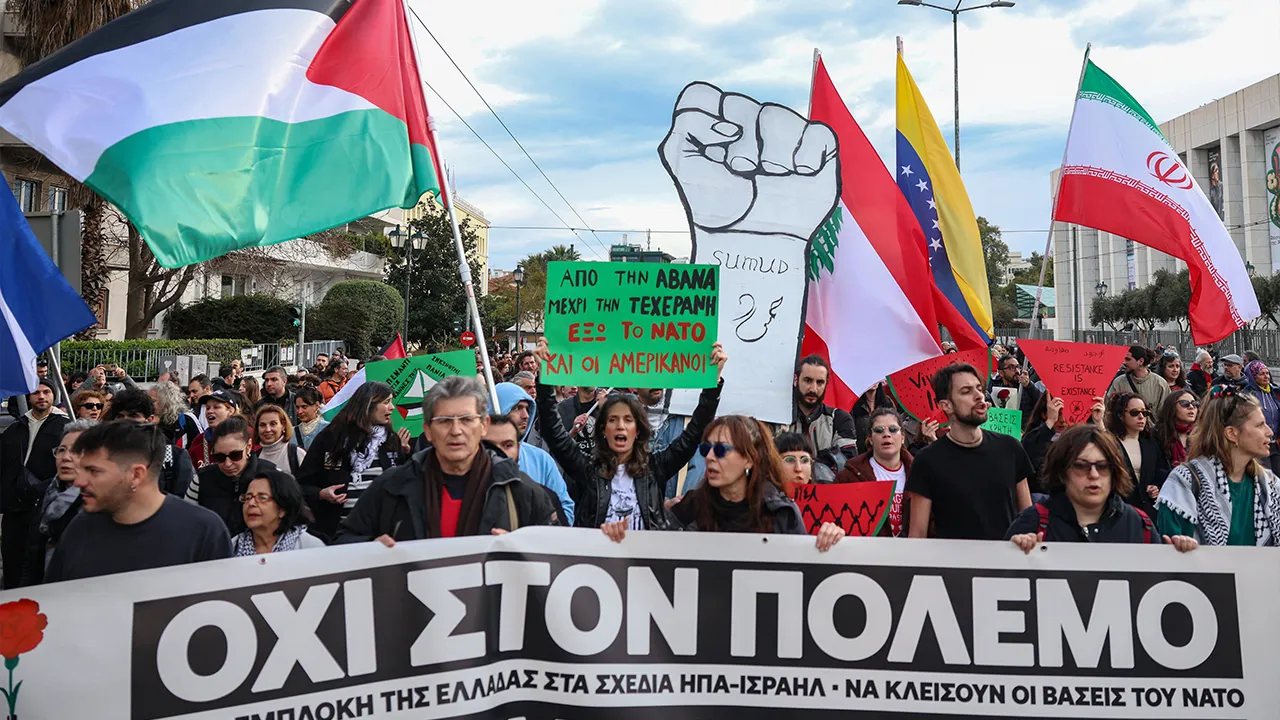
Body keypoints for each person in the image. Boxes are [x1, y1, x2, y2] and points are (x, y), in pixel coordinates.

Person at [337, 376, 562, 544]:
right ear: (427, 430)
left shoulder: (520, 490)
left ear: (484, 426)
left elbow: (557, 556)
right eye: (445, 421)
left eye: (466, 420)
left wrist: (521, 551)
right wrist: (369, 550)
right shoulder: (392, 488)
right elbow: (343, 541)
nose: (456, 431)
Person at [534, 337, 726, 532]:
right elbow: (553, 431)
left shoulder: (656, 468)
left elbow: (694, 432)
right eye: (612, 420)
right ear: (603, 430)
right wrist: (543, 379)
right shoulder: (588, 470)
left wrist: (713, 381)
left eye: (628, 420)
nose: (620, 426)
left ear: (638, 430)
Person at [46, 421, 231, 583]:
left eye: (94, 471)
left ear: (136, 475)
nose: (79, 482)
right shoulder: (78, 529)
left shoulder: (204, 532)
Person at [652, 415, 843, 551]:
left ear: (749, 459)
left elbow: (802, 573)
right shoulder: (692, 505)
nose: (709, 457)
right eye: (706, 449)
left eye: (720, 450)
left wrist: (831, 541)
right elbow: (652, 550)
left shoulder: (780, 512)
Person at [1006, 425, 1198, 552]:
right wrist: (1016, 555)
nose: (1094, 475)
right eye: (1081, 465)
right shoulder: (1033, 521)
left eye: (1103, 466)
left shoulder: (1140, 524)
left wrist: (1179, 559)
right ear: (1062, 471)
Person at [907, 364, 1034, 540]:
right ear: (947, 406)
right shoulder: (927, 460)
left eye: (979, 389)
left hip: (1005, 562)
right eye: (966, 391)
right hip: (953, 564)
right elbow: (917, 535)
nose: (978, 396)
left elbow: (1027, 519)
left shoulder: (1010, 448)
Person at [1158, 386, 1280, 546]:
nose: (1269, 432)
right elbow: (1170, 552)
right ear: (1232, 433)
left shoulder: (1271, 485)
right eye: (1259, 425)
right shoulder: (1185, 482)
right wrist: (1182, 547)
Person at [296, 382, 406, 541]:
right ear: (368, 404)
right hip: (337, 536)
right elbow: (301, 484)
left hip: (383, 537)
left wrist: (405, 454)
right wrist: (321, 494)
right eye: (386, 402)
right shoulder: (331, 437)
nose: (392, 407)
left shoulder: (391, 440)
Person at [0, 379, 69, 588]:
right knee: (12, 559)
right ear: (28, 397)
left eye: (46, 392)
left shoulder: (64, 426)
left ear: (53, 396)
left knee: (36, 562)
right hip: (14, 506)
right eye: (36, 392)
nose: (41, 396)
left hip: (45, 504)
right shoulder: (15, 428)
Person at [20, 419, 96, 586]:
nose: (66, 457)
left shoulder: (102, 503)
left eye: (77, 451)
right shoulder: (45, 494)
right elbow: (32, 558)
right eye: (61, 450)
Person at [494, 382, 575, 523]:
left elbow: (565, 509)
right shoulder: (477, 459)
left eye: (527, 408)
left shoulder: (541, 459)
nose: (525, 415)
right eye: (517, 408)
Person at [186, 416, 278, 532]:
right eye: (219, 457)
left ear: (249, 447)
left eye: (235, 455)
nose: (228, 463)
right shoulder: (201, 479)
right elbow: (187, 522)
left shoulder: (272, 475)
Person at [832, 407, 915, 537]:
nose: (886, 434)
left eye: (893, 429)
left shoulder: (919, 474)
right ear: (870, 439)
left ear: (903, 437)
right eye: (879, 430)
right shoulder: (849, 477)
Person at [103, 388, 196, 498]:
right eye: (120, 416)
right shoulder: (104, 455)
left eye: (133, 416)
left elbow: (183, 504)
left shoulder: (174, 457)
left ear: (150, 419)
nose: (125, 421)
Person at [780, 355, 857, 481]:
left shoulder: (840, 419)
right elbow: (768, 460)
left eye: (819, 382)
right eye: (808, 380)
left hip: (827, 494)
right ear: (796, 380)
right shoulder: (778, 418)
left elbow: (848, 465)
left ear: (826, 384)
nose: (813, 389)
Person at [230, 468, 325, 555]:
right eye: (247, 497)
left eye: (262, 498)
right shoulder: (232, 547)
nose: (251, 503)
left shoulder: (309, 547)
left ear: (282, 508)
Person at [1104, 393, 1169, 518]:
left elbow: (1161, 471)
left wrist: (1156, 487)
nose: (1141, 417)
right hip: (1119, 510)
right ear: (1121, 416)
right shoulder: (1111, 441)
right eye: (1134, 412)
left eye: (1144, 412)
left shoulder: (1150, 442)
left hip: (1148, 512)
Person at [188, 388, 245, 469]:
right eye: (207, 408)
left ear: (230, 411)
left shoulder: (246, 434)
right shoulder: (199, 441)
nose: (210, 411)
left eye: (216, 407)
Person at [1020, 393, 1068, 489]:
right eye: (1058, 413)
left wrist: (1099, 423)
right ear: (1044, 414)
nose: (1062, 420)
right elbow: (1028, 467)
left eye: (1067, 414)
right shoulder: (1033, 438)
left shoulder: (1078, 440)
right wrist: (1050, 422)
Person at [1106, 346, 1170, 413]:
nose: (1124, 362)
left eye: (1128, 359)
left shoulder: (1160, 384)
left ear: (1141, 361)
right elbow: (1109, 408)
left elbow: (1166, 412)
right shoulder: (1119, 383)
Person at [1243, 360, 1280, 473]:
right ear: (1253, 377)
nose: (1266, 376)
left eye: (1267, 373)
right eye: (1261, 374)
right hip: (1259, 443)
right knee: (1266, 476)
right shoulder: (1247, 395)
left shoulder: (1275, 392)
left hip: (1276, 444)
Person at [253, 404, 306, 476]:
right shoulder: (254, 459)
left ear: (283, 425)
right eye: (262, 425)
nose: (267, 429)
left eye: (273, 424)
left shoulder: (296, 454)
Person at [988, 354, 1042, 423]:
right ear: (1001, 373)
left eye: (1018, 367)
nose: (1017, 371)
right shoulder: (994, 389)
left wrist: (1029, 385)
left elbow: (1041, 402)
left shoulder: (1026, 388)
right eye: (1011, 367)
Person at [1155, 390, 1199, 469]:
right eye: (1184, 403)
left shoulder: (1200, 435)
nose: (1191, 407)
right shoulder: (1158, 435)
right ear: (1172, 407)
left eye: (1195, 404)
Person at [556, 384, 602, 458]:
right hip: (575, 465)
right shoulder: (562, 408)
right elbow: (556, 448)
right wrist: (573, 432)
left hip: (605, 465)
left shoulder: (608, 402)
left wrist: (607, 409)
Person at [293, 386, 329, 450]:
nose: (299, 411)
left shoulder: (327, 429)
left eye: (304, 407)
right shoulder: (292, 432)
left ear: (317, 405)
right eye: (297, 407)